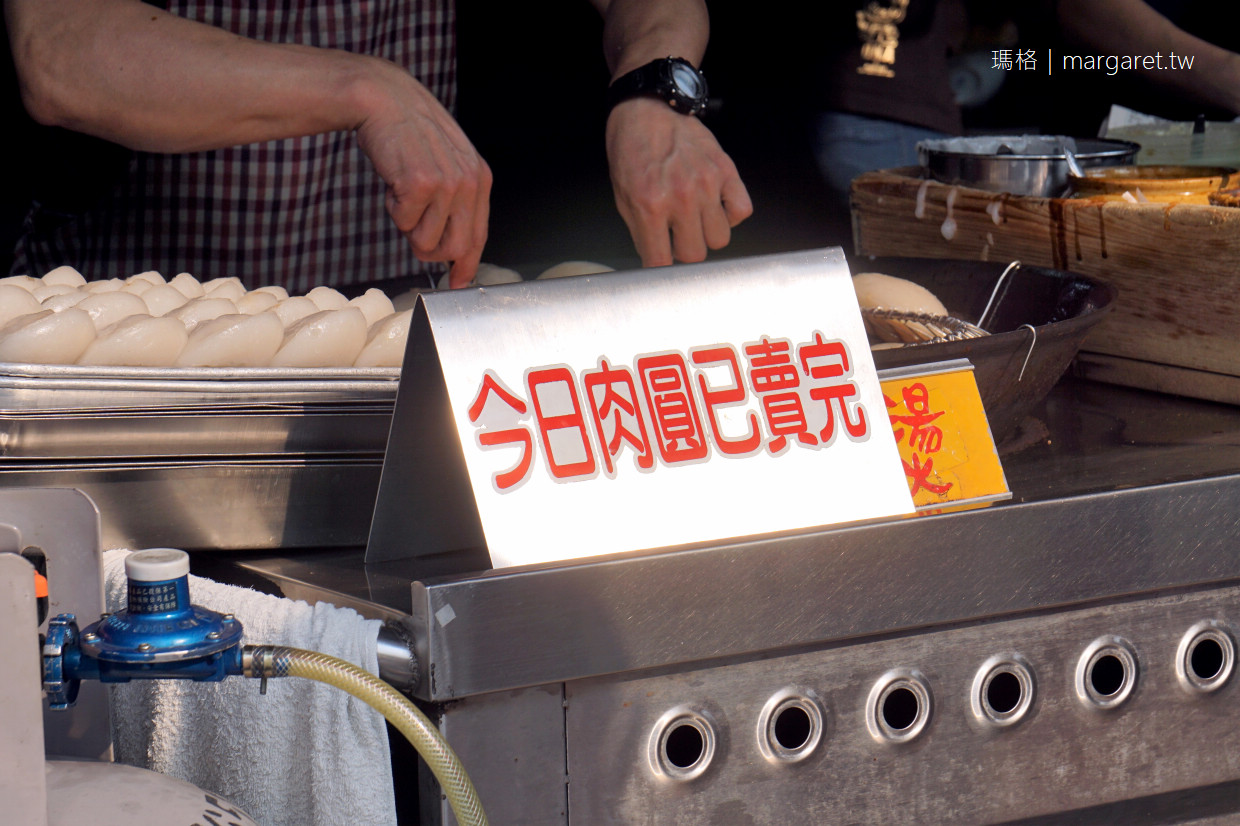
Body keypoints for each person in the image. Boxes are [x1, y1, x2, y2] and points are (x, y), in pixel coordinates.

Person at [2, 0, 751, 292]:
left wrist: (654, 86)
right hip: (133, 327)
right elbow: (64, 50)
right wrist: (364, 90)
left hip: (391, 325)